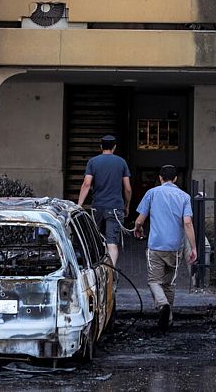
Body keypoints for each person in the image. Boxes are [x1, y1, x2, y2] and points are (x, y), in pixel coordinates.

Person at [132, 165, 198, 331]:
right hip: (175, 247)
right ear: (175, 179)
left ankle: (162, 304)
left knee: (154, 281)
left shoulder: (152, 193)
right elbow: (187, 223)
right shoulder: (184, 196)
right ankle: (168, 318)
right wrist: (194, 248)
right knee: (169, 284)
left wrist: (138, 228)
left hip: (156, 245)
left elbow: (140, 220)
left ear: (160, 178)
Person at [77, 135, 132, 267]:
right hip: (116, 207)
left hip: (98, 206)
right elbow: (128, 188)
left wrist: (79, 205)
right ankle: (110, 272)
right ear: (114, 147)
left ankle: (97, 269)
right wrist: (127, 205)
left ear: (101, 146)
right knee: (112, 242)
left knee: (96, 240)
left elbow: (86, 184)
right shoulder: (121, 162)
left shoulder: (93, 162)